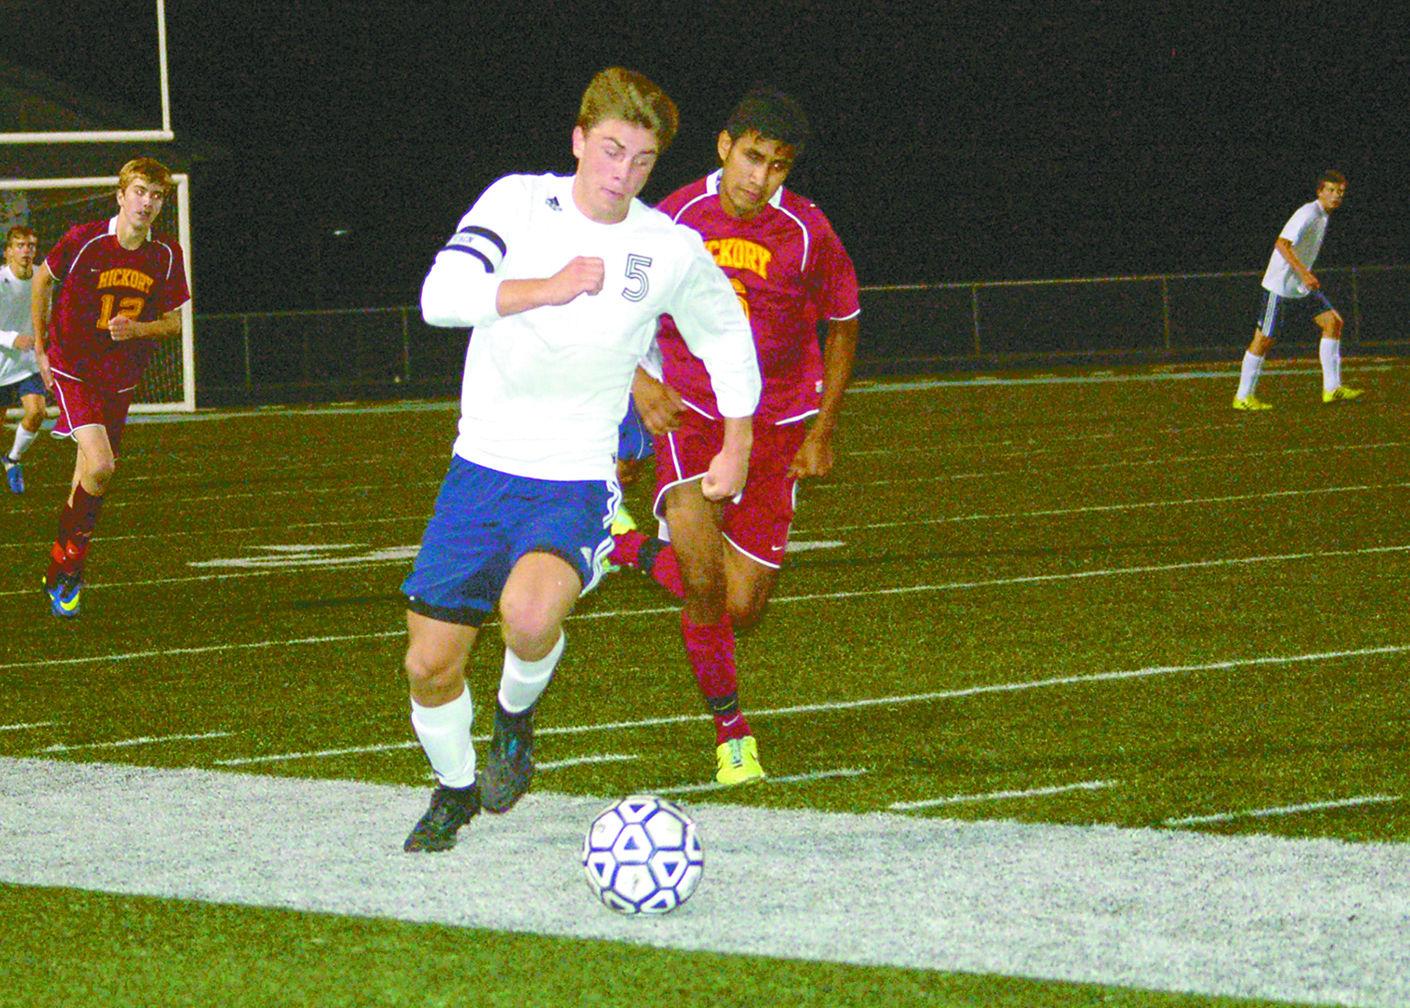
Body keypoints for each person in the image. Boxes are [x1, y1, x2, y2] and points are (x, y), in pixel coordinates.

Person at [398, 66, 760, 853]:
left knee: (530, 617)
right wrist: (546, 287)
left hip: (574, 474)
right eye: (611, 150)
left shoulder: (667, 248)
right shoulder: (517, 203)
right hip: (480, 466)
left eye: (642, 160)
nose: (622, 174)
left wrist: (738, 441)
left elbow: (727, 335)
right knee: (429, 664)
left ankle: (515, 719)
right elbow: (440, 296)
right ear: (578, 140)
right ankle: (455, 791)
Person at [609, 88, 861, 786]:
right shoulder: (671, 221)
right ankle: (732, 734)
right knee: (701, 581)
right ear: (724, 146)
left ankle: (624, 546)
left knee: (741, 606)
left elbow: (843, 323)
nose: (760, 177)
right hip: (692, 414)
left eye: (778, 165)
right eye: (752, 157)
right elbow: (615, 311)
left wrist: (823, 428)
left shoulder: (808, 231)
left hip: (777, 427)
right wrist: (642, 382)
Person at [31, 157, 190, 617]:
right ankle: (72, 570)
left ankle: (57, 567)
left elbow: (174, 324)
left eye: (156, 195)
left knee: (89, 477)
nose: (146, 202)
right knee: (101, 465)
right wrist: (41, 349)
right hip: (73, 367)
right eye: (139, 191)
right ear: (120, 195)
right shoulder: (84, 240)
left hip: (119, 378)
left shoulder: (166, 254)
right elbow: (42, 280)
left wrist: (137, 330)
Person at [1233, 169, 1360, 410]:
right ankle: (1243, 396)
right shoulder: (1308, 212)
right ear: (1320, 192)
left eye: (1340, 192)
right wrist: (1304, 273)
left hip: (1300, 286)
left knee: (1333, 323)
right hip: (1280, 286)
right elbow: (1282, 244)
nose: (1336, 195)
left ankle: (1332, 389)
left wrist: (1303, 277)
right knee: (1263, 339)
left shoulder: (1323, 215)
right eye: (1331, 190)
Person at [1, 225, 45, 493]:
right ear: (8, 252)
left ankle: (13, 458)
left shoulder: (42, 277)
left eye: (31, 246)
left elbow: (47, 313)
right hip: (1, 363)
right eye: (20, 246)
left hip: (27, 363)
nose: (26, 251)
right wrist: (12, 339)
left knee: (37, 412)